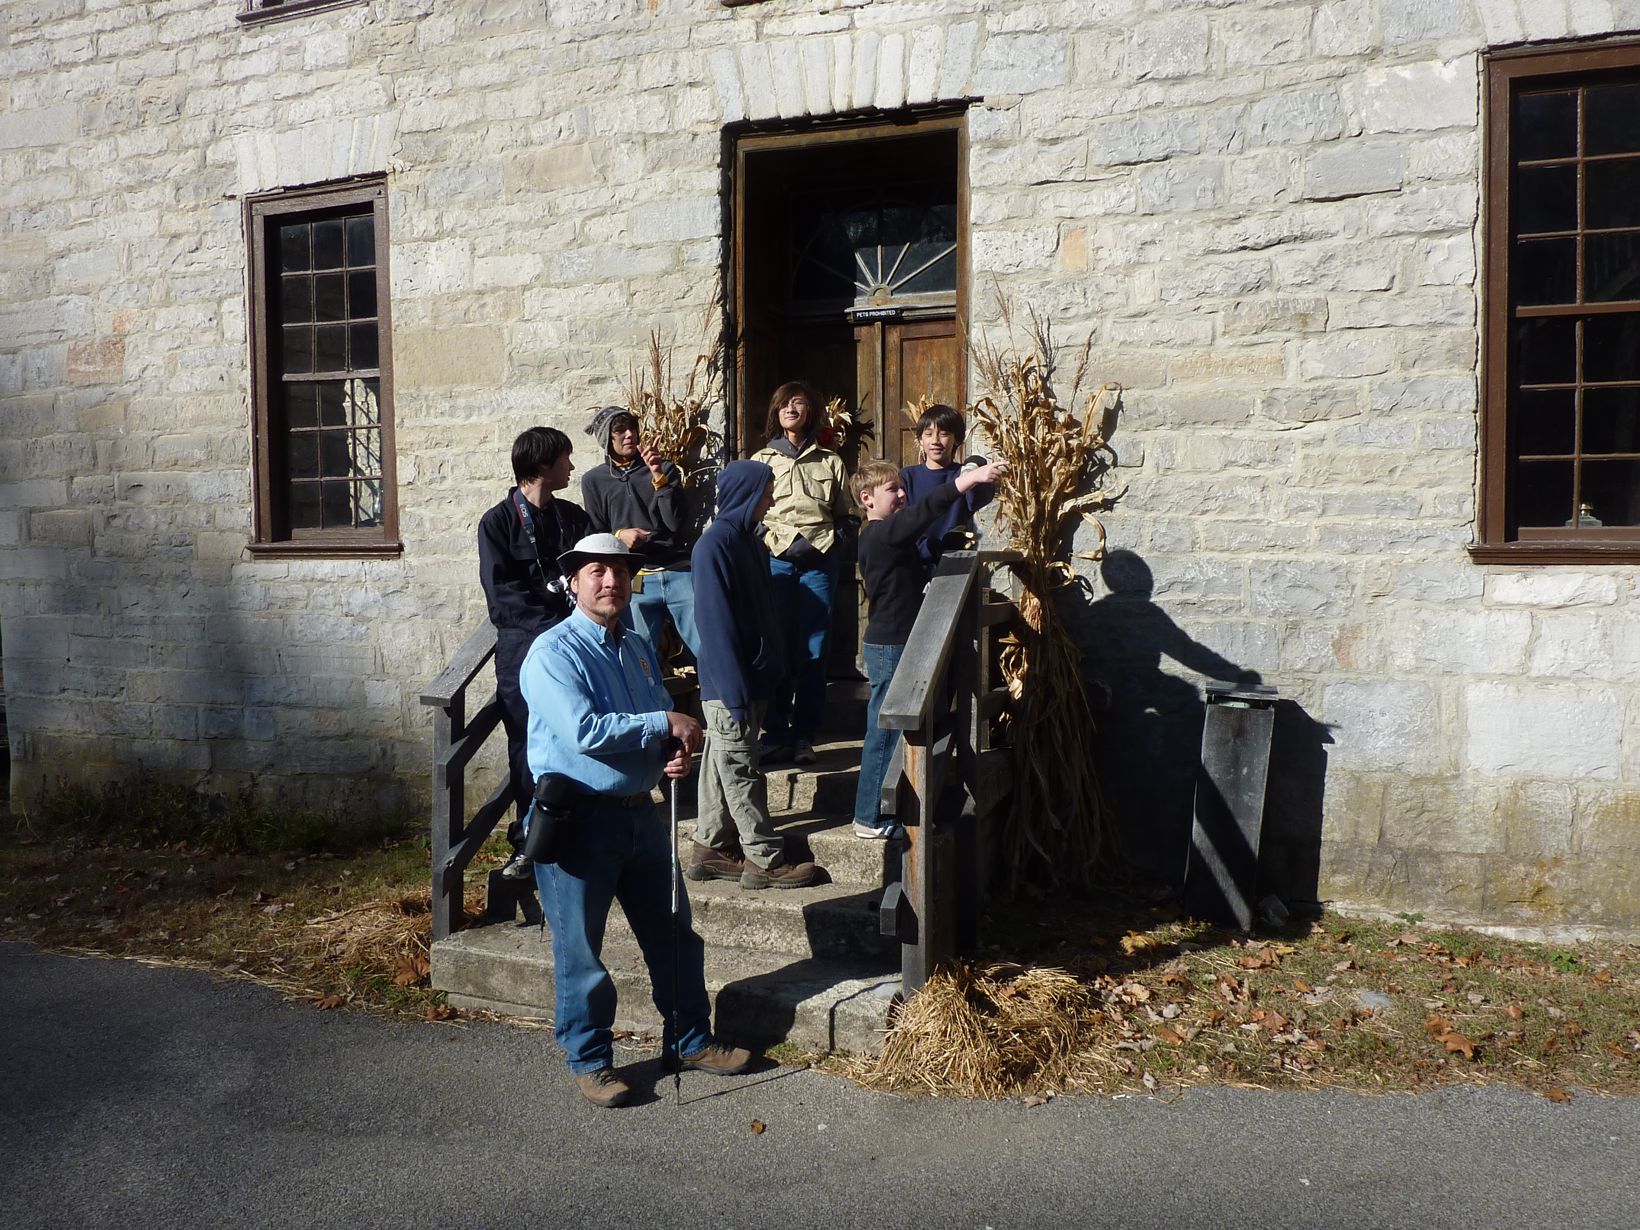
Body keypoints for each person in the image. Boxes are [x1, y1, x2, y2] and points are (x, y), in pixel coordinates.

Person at [519, 532, 753, 1108]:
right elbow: (585, 732)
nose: (610, 581)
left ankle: (691, 1039)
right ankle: (591, 1060)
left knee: (674, 933)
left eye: (620, 571)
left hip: (641, 818)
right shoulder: (553, 653)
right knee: (581, 951)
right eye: (597, 571)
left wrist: (666, 756)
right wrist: (662, 723)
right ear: (574, 581)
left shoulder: (639, 646)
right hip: (578, 822)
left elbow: (649, 726)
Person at [850, 457, 1007, 839]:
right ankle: (869, 817)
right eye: (893, 490)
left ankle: (890, 809)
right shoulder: (879, 534)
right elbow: (925, 510)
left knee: (911, 724)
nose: (902, 495)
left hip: (898, 642)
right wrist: (968, 479)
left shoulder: (888, 535)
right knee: (885, 731)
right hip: (890, 646)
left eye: (902, 488)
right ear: (867, 499)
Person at [687, 460, 822, 890]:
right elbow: (714, 623)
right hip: (732, 684)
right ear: (746, 493)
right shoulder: (714, 546)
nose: (772, 499)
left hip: (751, 680)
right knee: (742, 766)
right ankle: (764, 859)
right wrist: (734, 691)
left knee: (721, 760)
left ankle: (709, 845)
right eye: (767, 492)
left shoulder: (751, 543)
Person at [478, 426, 590, 878]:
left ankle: (580, 834)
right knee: (528, 748)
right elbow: (501, 598)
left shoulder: (574, 517)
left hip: (575, 649)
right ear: (542, 465)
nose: (572, 467)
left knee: (579, 737)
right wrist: (552, 631)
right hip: (525, 654)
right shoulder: (498, 522)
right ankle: (529, 843)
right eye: (565, 458)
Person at [751, 381, 854, 766]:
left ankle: (804, 736)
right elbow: (750, 513)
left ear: (810, 412)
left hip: (819, 564)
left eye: (799, 403)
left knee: (814, 650)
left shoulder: (831, 461)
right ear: (776, 413)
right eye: (784, 404)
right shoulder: (761, 461)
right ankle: (775, 732)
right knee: (774, 645)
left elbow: (849, 515)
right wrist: (767, 537)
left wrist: (834, 541)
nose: (792, 409)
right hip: (776, 562)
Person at [580, 405, 699, 660]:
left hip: (678, 570)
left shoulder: (664, 468)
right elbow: (597, 534)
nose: (629, 435)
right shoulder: (594, 480)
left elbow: (675, 524)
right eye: (620, 431)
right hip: (636, 578)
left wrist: (658, 476)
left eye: (632, 428)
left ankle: (716, 700)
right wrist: (619, 536)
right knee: (639, 656)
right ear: (606, 440)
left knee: (706, 646)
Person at [899, 403, 995, 563]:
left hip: (953, 562)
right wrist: (931, 549)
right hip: (913, 563)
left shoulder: (963, 476)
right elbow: (901, 524)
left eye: (943, 434)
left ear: (956, 439)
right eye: (928, 434)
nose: (935, 441)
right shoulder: (907, 477)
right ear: (920, 440)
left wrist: (973, 464)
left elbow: (980, 495)